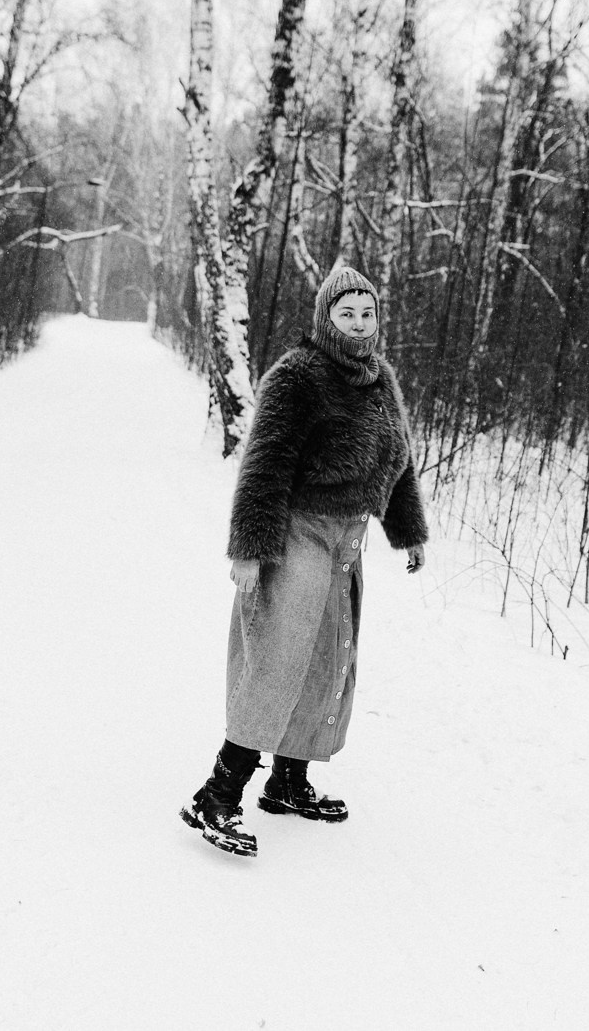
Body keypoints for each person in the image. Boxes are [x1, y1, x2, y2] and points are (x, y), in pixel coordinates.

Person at [179, 265, 429, 857]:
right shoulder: (298, 375)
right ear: (326, 316)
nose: (360, 324)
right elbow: (265, 464)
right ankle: (217, 794)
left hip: (348, 538)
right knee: (279, 653)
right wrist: (249, 549)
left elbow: (399, 459)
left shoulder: (380, 379)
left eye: (368, 314)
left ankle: (288, 781)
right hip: (298, 532)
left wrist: (409, 531)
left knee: (329, 655)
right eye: (348, 313)